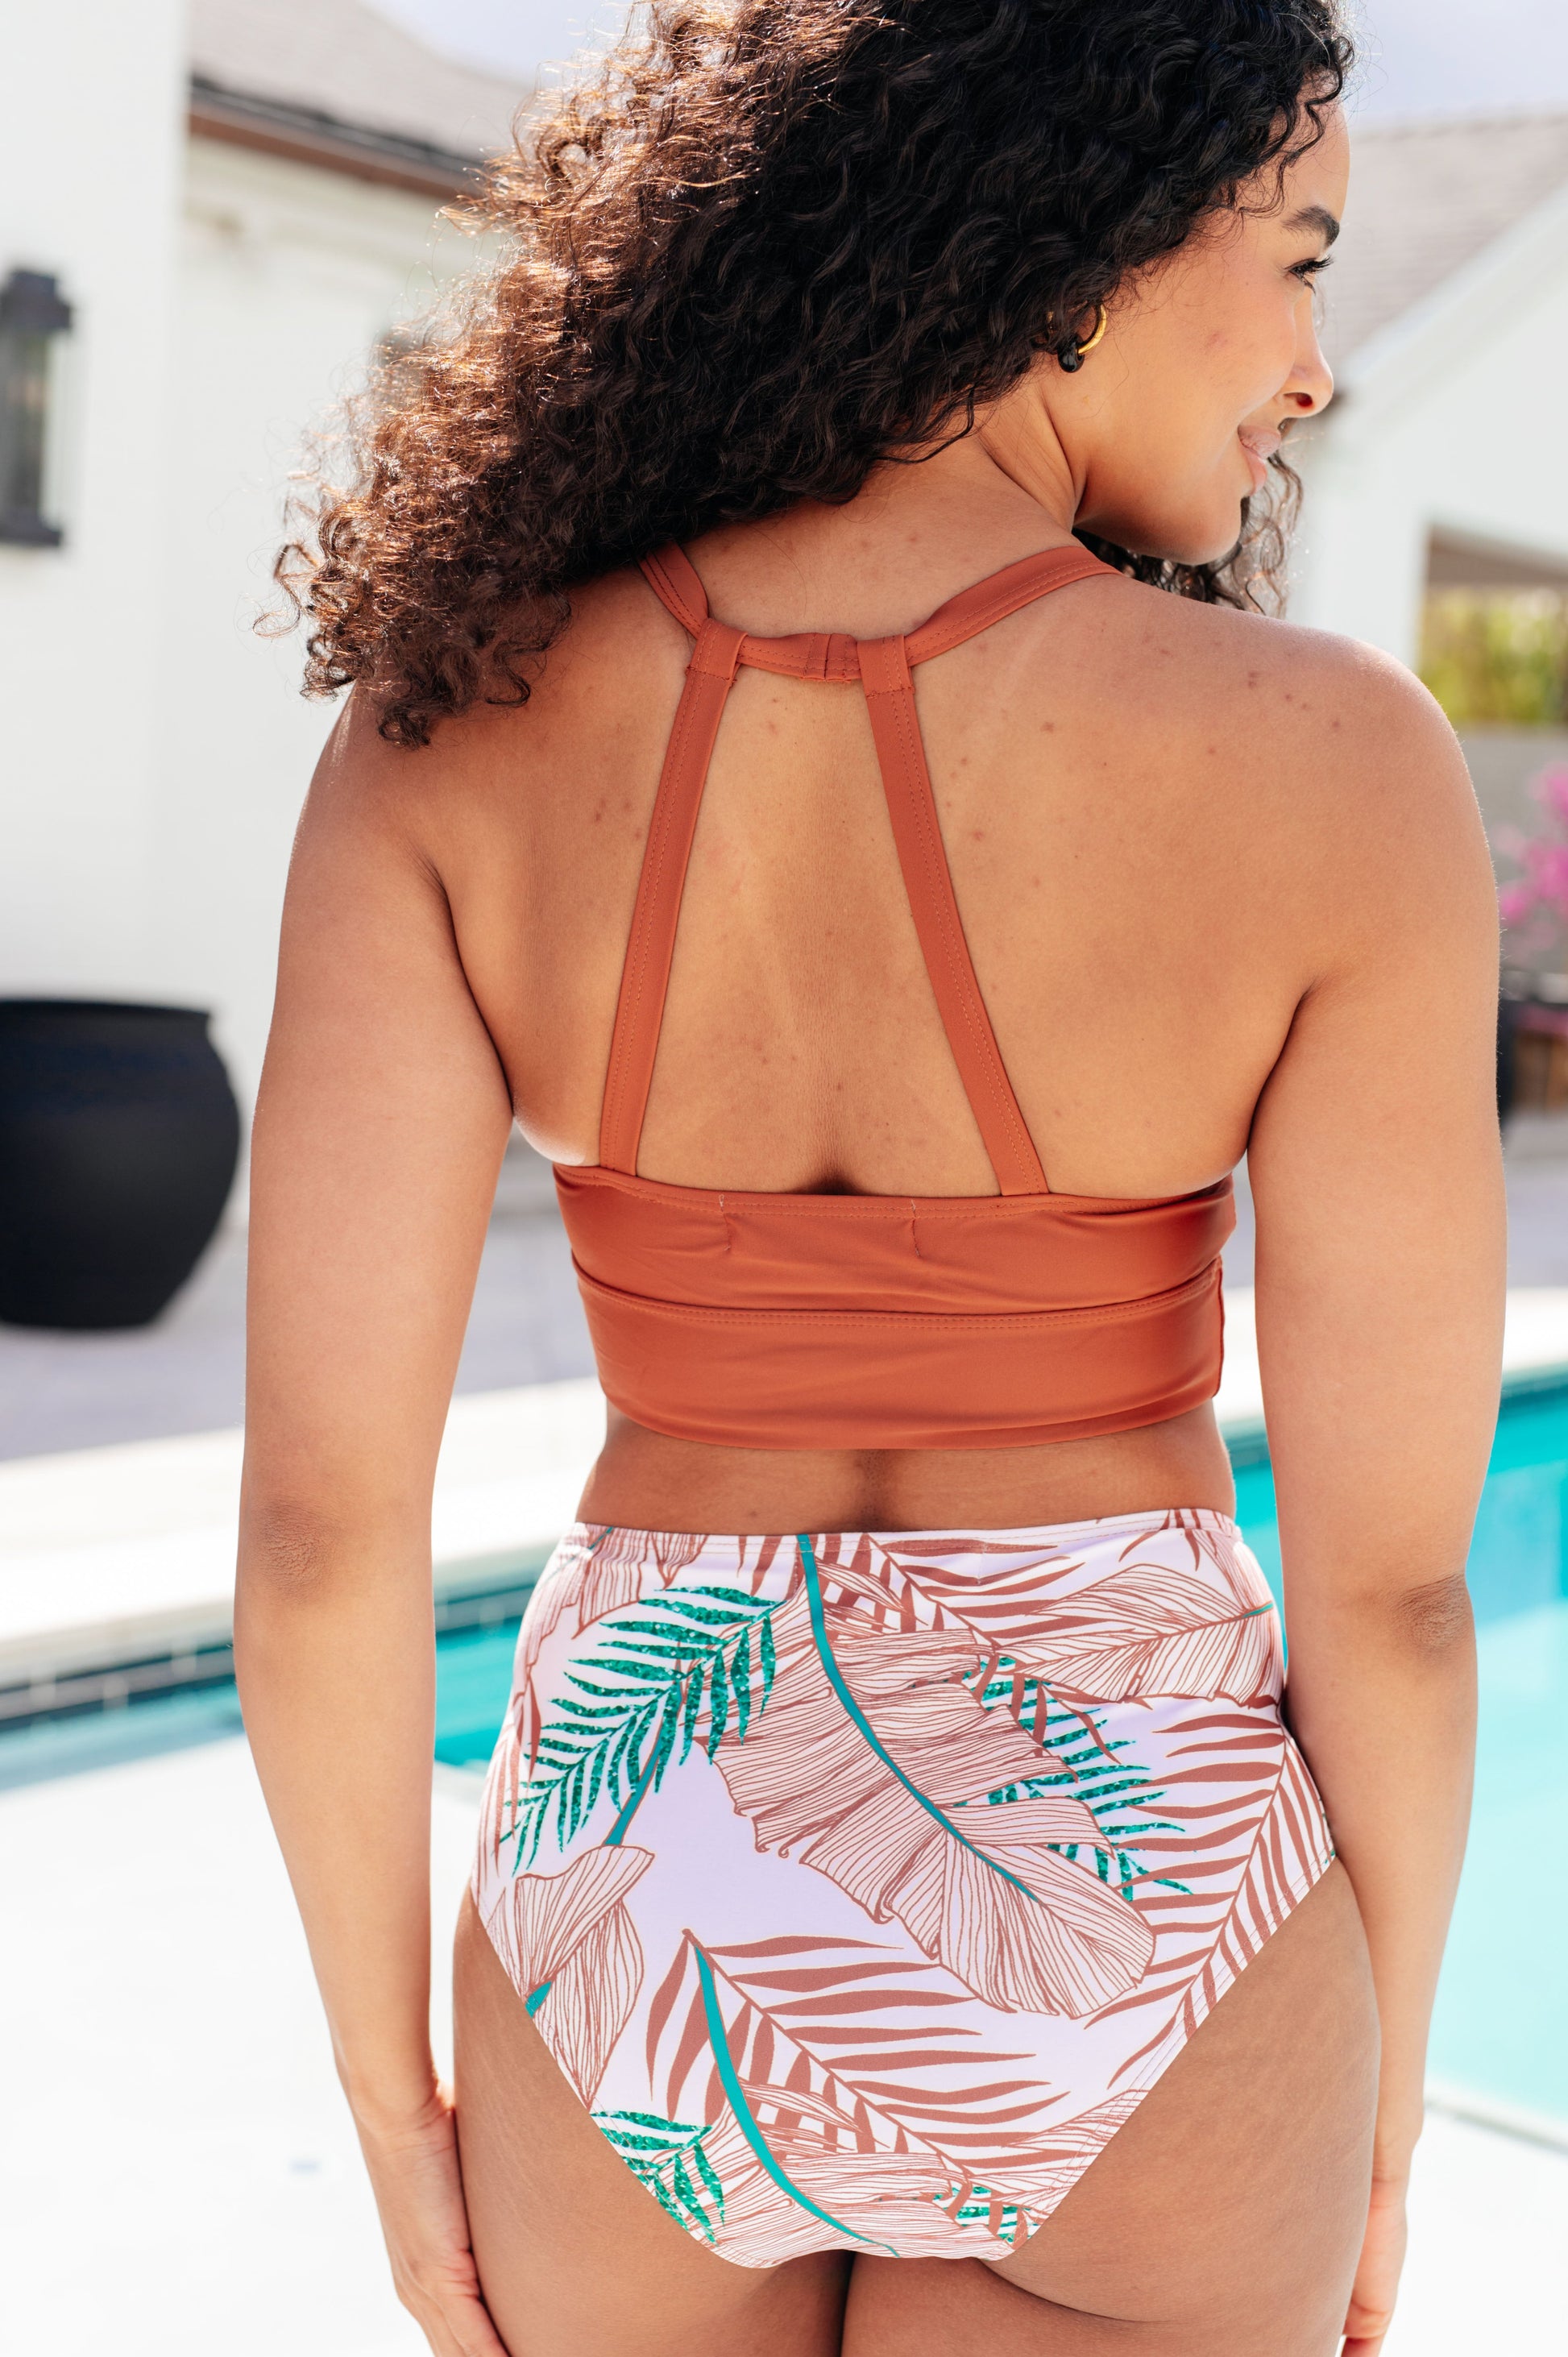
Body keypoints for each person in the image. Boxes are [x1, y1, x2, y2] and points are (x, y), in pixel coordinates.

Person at [237, 6, 1504, 2354]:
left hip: (634, 1892)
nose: (1313, 369)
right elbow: (1402, 1601)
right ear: (1093, 242)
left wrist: (397, 2114)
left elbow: (320, 1543)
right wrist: (1376, 2115)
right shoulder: (1329, 764)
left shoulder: (449, 725)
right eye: (1302, 259)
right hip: (1130, 1905)